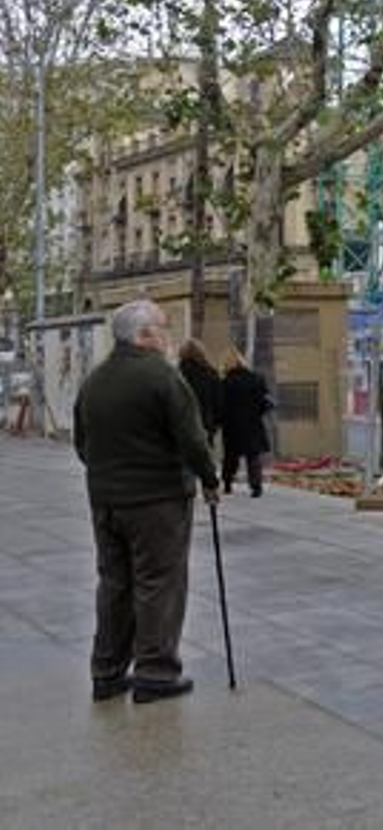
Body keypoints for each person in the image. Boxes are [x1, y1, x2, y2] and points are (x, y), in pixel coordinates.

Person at [73, 299, 219, 704]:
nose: (168, 335)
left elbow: (82, 444)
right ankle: (155, 673)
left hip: (106, 501)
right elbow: (192, 439)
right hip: (157, 500)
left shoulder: (95, 380)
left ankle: (107, 672)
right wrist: (209, 479)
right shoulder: (162, 376)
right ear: (144, 335)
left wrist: (109, 474)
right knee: (159, 582)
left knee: (114, 584)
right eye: (163, 327)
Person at [220, 343, 273, 498]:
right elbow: (265, 402)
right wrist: (257, 413)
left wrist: (220, 420)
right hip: (252, 423)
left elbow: (220, 405)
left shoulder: (225, 382)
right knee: (253, 456)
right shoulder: (256, 378)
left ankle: (227, 483)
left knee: (231, 455)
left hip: (232, 425)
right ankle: (256, 486)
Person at [178, 338, 224, 453]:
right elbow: (219, 403)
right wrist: (214, 425)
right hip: (205, 424)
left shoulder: (177, 373)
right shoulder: (211, 373)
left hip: (181, 425)